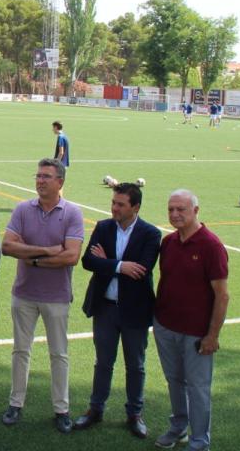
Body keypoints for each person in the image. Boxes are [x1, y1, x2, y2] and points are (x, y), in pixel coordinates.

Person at [0, 158, 84, 433]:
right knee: (20, 350)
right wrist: (48, 252)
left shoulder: (72, 212)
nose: (40, 180)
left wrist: (31, 256)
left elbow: (71, 256)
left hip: (57, 296)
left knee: (58, 354)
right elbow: (8, 247)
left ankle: (61, 408)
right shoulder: (24, 209)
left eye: (46, 176)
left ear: (60, 182)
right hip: (24, 293)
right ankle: (16, 403)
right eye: (38, 176)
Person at [73, 183, 162, 438]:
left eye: (120, 204)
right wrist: (120, 266)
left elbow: (141, 270)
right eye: (113, 203)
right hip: (105, 308)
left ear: (135, 207)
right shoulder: (103, 227)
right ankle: (95, 409)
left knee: (136, 365)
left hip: (134, 310)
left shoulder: (150, 234)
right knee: (103, 362)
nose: (114, 208)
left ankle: (135, 413)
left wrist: (107, 262)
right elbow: (89, 261)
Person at [153, 189, 229, 451]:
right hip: (165, 326)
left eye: (181, 209)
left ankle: (199, 441)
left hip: (197, 333)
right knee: (174, 380)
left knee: (198, 388)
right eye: (171, 209)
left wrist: (212, 336)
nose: (175, 214)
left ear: (196, 211)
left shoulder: (211, 246)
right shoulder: (168, 242)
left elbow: (222, 296)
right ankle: (178, 428)